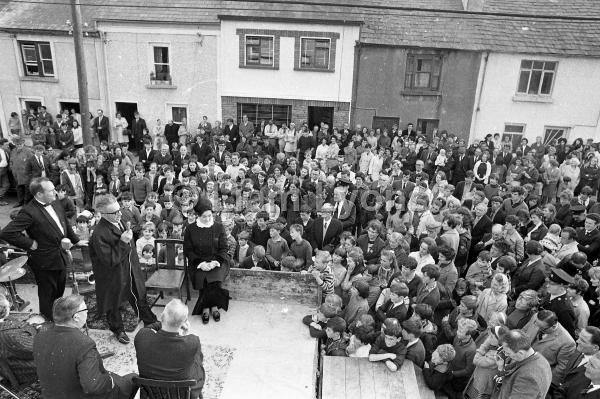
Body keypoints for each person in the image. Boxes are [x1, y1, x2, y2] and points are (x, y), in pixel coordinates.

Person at [0, 177, 81, 320]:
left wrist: (76, 240)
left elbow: (65, 223)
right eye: (51, 191)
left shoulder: (55, 202)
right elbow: (7, 232)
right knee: (47, 295)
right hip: (44, 261)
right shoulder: (29, 211)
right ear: (39, 194)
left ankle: (58, 317)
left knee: (59, 291)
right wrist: (29, 243)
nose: (55, 192)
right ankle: (48, 323)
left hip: (60, 256)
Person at [33, 295, 135, 399]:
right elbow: (93, 386)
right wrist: (110, 381)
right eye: (86, 310)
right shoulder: (83, 344)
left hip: (51, 394)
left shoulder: (40, 335)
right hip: (79, 394)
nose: (87, 313)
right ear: (76, 317)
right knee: (132, 379)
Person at [89, 194, 157, 344]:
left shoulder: (119, 221)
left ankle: (149, 320)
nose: (120, 213)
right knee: (112, 302)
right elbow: (109, 260)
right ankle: (118, 330)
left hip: (130, 267)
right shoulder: (99, 234)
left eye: (119, 209)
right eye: (115, 212)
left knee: (138, 294)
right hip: (112, 274)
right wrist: (123, 242)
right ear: (103, 214)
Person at [134, 299, 204, 399]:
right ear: (183, 323)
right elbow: (199, 361)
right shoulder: (192, 342)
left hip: (152, 392)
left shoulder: (142, 336)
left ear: (162, 316)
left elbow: (150, 327)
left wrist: (166, 322)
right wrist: (185, 335)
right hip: (180, 394)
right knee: (197, 361)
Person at [183, 198, 230, 323]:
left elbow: (224, 248)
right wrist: (201, 264)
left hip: (217, 261)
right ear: (198, 216)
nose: (208, 219)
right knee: (203, 279)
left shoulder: (219, 227)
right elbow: (188, 250)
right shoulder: (191, 229)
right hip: (198, 262)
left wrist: (215, 262)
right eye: (204, 216)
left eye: (210, 215)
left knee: (214, 279)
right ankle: (207, 307)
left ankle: (212, 306)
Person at [495, 329, 552, 399]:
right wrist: (501, 367)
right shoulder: (540, 359)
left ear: (520, 353)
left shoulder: (528, 378)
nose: (505, 354)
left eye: (508, 353)